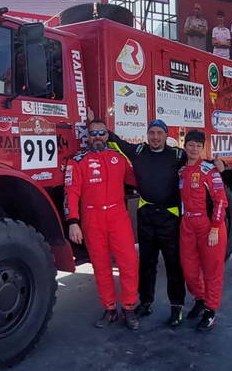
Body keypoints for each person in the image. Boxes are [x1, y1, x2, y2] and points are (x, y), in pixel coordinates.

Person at [107, 119, 187, 327]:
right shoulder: (139, 151)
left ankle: (177, 307)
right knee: (147, 263)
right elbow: (116, 142)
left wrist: (218, 166)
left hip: (170, 217)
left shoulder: (177, 155)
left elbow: (198, 162)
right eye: (152, 132)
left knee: (173, 265)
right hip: (147, 216)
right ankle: (146, 302)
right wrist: (95, 124)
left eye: (159, 133)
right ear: (147, 134)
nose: (155, 137)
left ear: (166, 135)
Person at [64, 119, 140, 330]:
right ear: (87, 136)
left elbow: (138, 179)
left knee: (129, 263)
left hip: (118, 217)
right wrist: (73, 222)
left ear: (107, 135)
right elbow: (71, 193)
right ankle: (109, 309)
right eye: (93, 134)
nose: (97, 137)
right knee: (101, 266)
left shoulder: (119, 158)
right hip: (92, 219)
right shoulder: (77, 161)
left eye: (101, 133)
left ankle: (129, 308)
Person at [178, 130, 228, 331]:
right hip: (187, 225)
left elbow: (220, 200)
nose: (194, 149)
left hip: (209, 227)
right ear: (185, 146)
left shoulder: (210, 170)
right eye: (191, 145)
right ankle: (200, 299)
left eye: (198, 146)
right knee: (189, 270)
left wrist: (215, 227)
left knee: (212, 271)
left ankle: (211, 310)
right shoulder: (180, 171)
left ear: (202, 148)